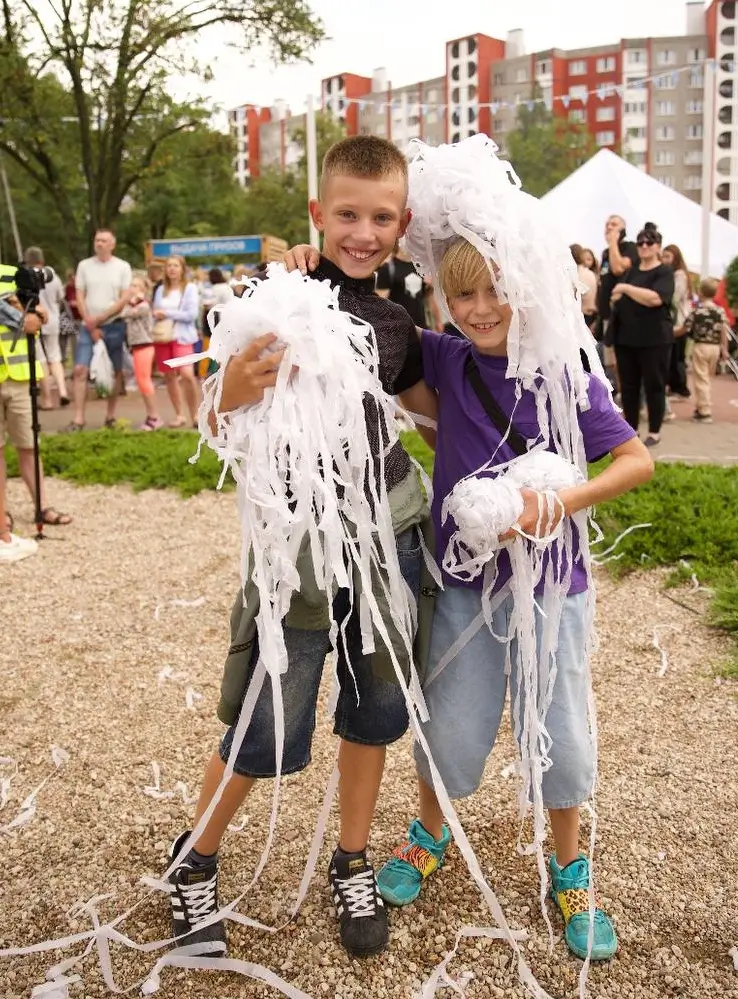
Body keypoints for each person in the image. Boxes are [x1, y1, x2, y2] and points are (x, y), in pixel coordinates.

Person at [165, 135, 437, 961]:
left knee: (376, 711)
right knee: (264, 716)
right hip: (299, 549)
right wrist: (239, 383)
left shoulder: (397, 323)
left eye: (380, 216)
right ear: (318, 214)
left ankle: (350, 859)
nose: (363, 231)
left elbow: (435, 412)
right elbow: (216, 417)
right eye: (346, 213)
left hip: (390, 532)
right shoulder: (278, 300)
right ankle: (196, 858)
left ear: (403, 224)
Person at [370, 231, 653, 962]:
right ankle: (432, 831)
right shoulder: (448, 356)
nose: (481, 308)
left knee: (558, 728)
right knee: (450, 723)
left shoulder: (565, 374)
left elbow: (635, 460)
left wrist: (554, 507)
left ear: (526, 289)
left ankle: (570, 866)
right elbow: (375, 323)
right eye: (462, 293)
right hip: (463, 588)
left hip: (553, 590)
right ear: (442, 297)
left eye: (496, 290)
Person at [0, 265, 72, 559]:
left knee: (29, 447)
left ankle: (41, 506)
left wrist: (32, 313)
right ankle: (2, 516)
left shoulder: (10, 272)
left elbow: (41, 316)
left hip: (18, 378)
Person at [609, 223, 675, 447]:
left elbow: (656, 298)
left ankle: (654, 430)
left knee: (654, 385)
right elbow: (616, 294)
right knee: (628, 386)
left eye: (649, 242)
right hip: (626, 337)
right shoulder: (632, 271)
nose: (644, 246)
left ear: (658, 246)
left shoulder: (664, 271)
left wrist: (626, 290)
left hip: (654, 339)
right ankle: (631, 429)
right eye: (640, 242)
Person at [67, 228, 132, 431]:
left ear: (112, 244)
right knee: (80, 369)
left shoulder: (122, 267)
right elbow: (79, 295)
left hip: (114, 324)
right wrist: (89, 321)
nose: (100, 243)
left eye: (104, 240)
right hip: (88, 325)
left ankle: (110, 416)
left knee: (116, 371)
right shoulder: (84, 266)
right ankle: (78, 418)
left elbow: (124, 298)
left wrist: (101, 318)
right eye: (97, 240)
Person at [152, 255, 200, 428]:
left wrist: (168, 314)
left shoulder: (190, 288)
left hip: (182, 336)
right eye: (169, 265)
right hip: (163, 336)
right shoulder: (160, 290)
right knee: (169, 376)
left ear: (182, 269)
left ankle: (195, 414)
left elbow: (191, 315)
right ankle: (179, 415)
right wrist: (157, 315)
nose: (172, 269)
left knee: (187, 374)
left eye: (175, 265)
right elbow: (155, 311)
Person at [22, 247, 70, 409]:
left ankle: (47, 399)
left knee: (41, 359)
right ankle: (63, 392)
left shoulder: (25, 278)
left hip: (35, 320)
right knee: (55, 357)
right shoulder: (53, 277)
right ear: (41, 261)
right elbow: (60, 298)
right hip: (53, 320)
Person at [685, 278, 730, 424]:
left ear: (701, 292)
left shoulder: (697, 311)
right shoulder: (720, 311)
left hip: (701, 346)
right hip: (715, 347)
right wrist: (725, 349)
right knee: (707, 379)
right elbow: (724, 331)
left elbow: (686, 328)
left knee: (701, 380)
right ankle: (701, 406)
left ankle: (705, 411)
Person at [122, 274, 162, 430]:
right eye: (132, 285)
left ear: (144, 290)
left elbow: (125, 314)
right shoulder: (134, 305)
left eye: (137, 286)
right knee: (141, 381)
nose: (132, 289)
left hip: (144, 345)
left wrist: (132, 301)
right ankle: (151, 415)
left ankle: (154, 416)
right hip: (137, 346)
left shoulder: (143, 306)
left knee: (144, 381)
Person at [597, 214, 638, 338]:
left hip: (621, 316)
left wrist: (613, 241)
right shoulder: (606, 252)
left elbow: (618, 269)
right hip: (606, 315)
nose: (609, 227)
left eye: (614, 225)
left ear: (623, 230)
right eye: (607, 225)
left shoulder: (630, 247)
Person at [661, 244, 692, 399]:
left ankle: (680, 388)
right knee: (673, 356)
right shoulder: (674, 274)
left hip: (678, 321)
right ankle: (676, 386)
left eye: (668, 257)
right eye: (663, 256)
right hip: (675, 321)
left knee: (677, 356)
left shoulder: (679, 274)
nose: (665, 260)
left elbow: (675, 297)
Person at [376, 247, 427, 326]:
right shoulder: (388, 268)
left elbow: (428, 296)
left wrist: (438, 321)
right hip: (398, 328)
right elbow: (380, 304)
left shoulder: (420, 267)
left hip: (421, 326)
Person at [571, 243, 598, 334]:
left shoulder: (577, 273)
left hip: (581, 315)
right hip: (590, 315)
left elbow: (573, 295)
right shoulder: (590, 273)